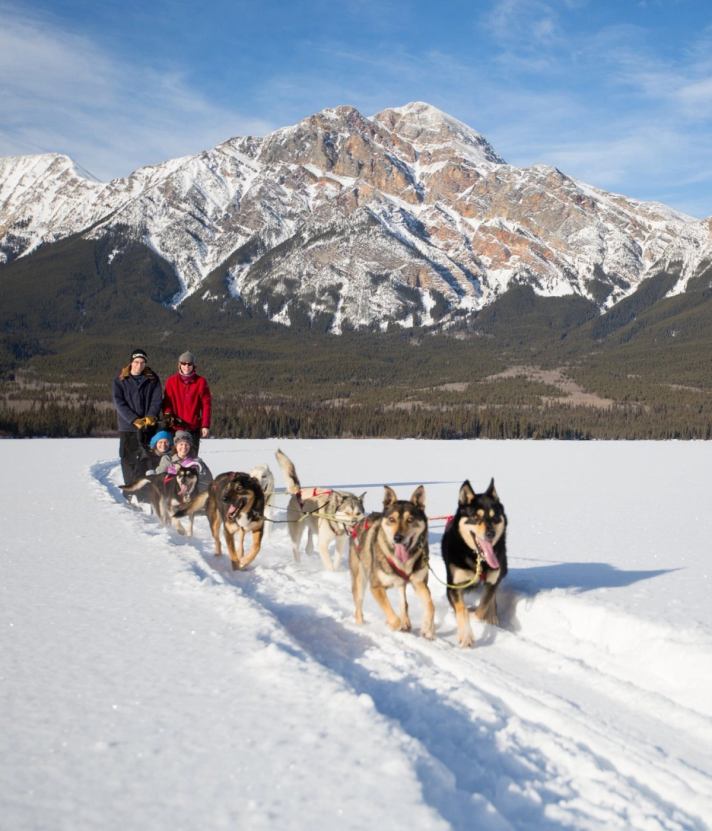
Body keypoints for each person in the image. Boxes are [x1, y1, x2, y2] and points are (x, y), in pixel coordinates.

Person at [112, 348, 162, 485]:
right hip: (128, 427)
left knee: (149, 458)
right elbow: (119, 403)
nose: (139, 365)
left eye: (142, 362)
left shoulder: (152, 379)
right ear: (131, 363)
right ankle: (130, 487)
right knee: (128, 459)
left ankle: (146, 489)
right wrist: (133, 419)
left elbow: (157, 399)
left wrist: (151, 416)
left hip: (148, 426)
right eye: (136, 362)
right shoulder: (120, 380)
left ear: (145, 364)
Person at [161, 350, 212, 454]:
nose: (186, 366)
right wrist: (168, 415)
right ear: (179, 365)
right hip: (175, 427)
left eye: (189, 364)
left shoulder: (201, 382)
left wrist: (205, 425)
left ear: (194, 366)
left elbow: (206, 405)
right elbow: (167, 402)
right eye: (183, 363)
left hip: (193, 427)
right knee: (174, 458)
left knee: (191, 458)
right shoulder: (171, 381)